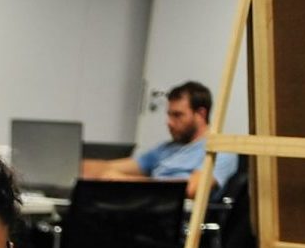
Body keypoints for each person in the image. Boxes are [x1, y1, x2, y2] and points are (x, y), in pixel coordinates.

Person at [81, 80, 237, 195]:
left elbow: (193, 189)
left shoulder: (221, 149)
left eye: (177, 115)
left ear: (201, 114)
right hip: (148, 207)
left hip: (178, 221)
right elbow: (112, 168)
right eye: (169, 115)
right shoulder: (166, 149)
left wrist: (127, 181)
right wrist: (75, 166)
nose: (169, 123)